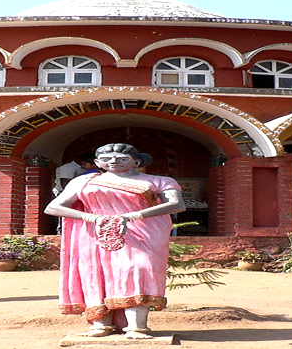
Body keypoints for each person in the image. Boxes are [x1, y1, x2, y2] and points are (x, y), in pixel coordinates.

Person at [44, 143, 186, 340]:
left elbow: (176, 204)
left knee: (139, 269)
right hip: (95, 234)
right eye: (106, 159)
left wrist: (131, 216)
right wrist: (94, 218)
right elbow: (54, 207)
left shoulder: (159, 181)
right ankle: (101, 325)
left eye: (122, 159)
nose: (113, 162)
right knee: (96, 274)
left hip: (143, 234)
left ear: (136, 161)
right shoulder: (84, 182)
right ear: (96, 163)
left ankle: (137, 327)